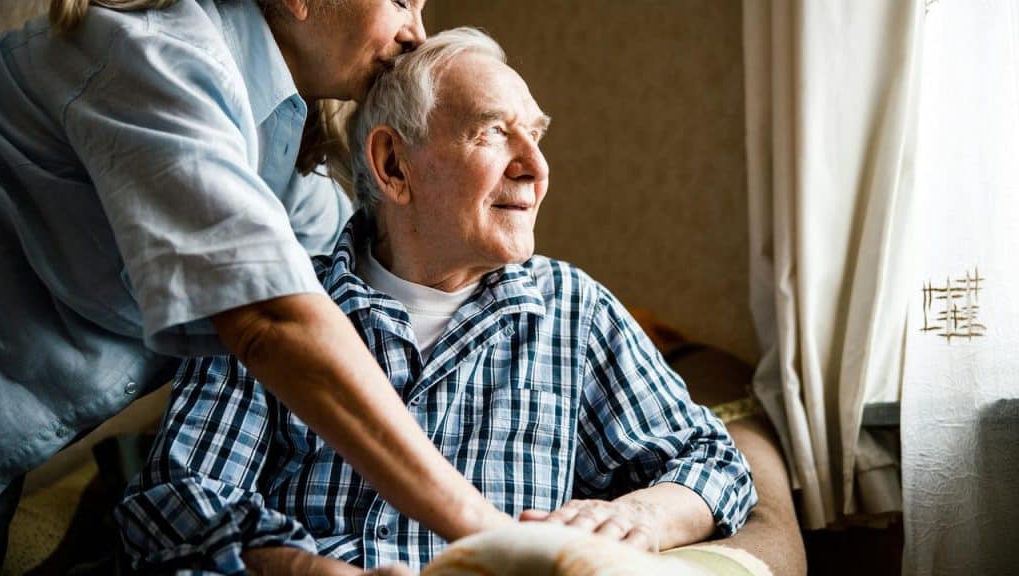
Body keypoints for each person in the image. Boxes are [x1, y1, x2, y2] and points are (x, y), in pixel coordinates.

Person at [115, 27, 758, 574]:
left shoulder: (574, 312)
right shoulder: (274, 301)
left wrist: (639, 515)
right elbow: (176, 499)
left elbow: (714, 464)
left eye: (535, 136)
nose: (536, 168)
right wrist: (303, 566)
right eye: (492, 133)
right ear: (394, 166)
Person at [0, 1, 515, 571]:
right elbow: (272, 320)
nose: (417, 34)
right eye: (399, 1)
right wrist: (493, 534)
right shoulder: (155, 57)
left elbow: (352, 271)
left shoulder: (281, 137)